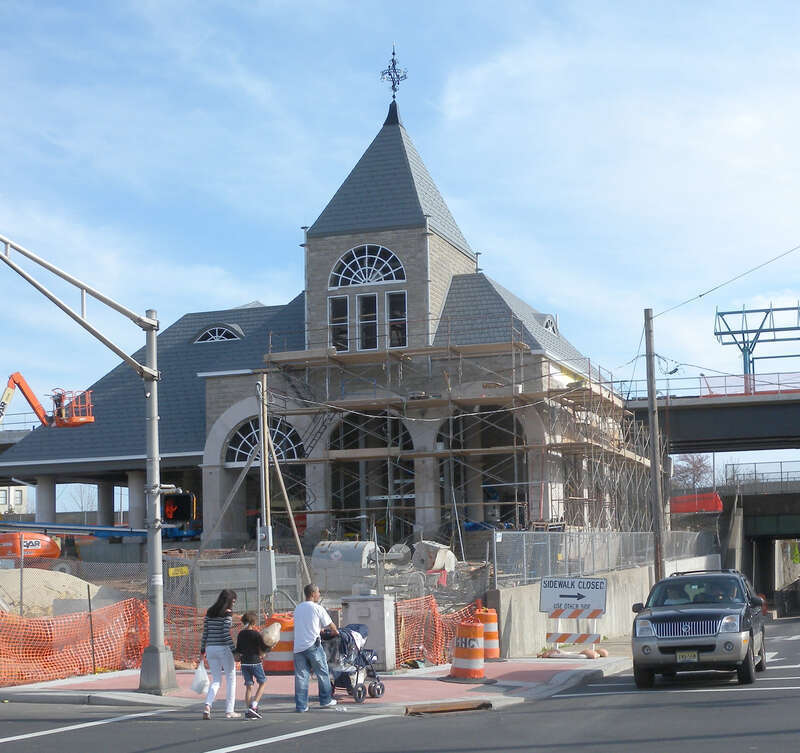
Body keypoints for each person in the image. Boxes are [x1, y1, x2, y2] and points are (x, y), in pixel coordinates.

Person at [293, 582, 339, 712]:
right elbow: (331, 625)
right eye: (318, 592)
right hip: (313, 645)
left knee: (301, 677)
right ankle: (325, 700)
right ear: (313, 594)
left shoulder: (298, 608)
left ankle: (301, 705)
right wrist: (336, 632)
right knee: (322, 673)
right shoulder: (317, 608)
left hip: (298, 647)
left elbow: (306, 626)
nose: (319, 594)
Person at [200, 588, 240, 720]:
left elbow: (205, 632)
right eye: (233, 601)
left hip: (210, 648)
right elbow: (225, 633)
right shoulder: (227, 613)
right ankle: (229, 710)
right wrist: (234, 650)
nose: (233, 604)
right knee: (231, 679)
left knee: (216, 680)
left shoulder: (210, 612)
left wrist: (202, 650)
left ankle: (207, 705)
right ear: (228, 601)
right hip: (223, 648)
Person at [236, 612, 270, 719]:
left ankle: (248, 710)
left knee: (249, 686)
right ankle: (254, 706)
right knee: (263, 682)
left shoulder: (241, 634)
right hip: (255, 662)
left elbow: (239, 650)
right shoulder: (256, 634)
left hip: (244, 663)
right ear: (253, 622)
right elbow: (262, 649)